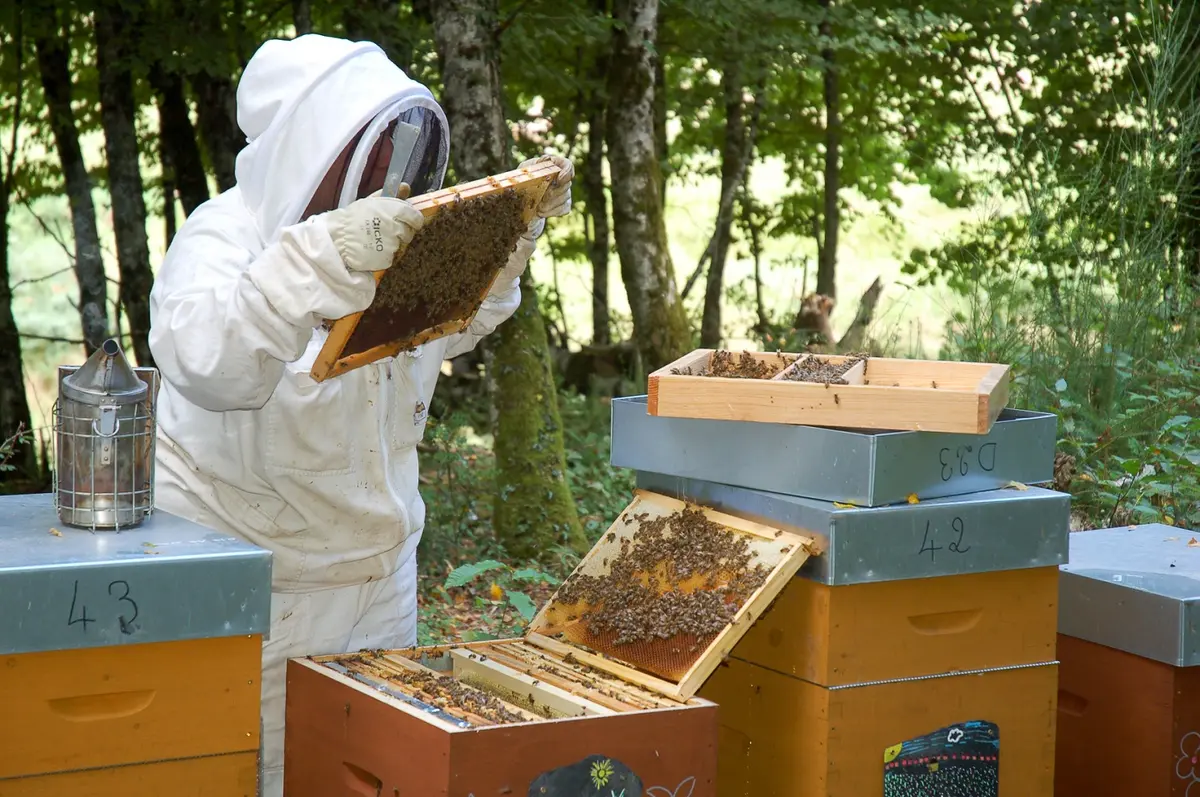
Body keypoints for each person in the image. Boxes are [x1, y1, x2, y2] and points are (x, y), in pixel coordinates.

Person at [147, 34, 572, 797]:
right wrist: (308, 263)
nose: (390, 180)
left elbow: (450, 319)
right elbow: (208, 361)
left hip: (381, 580)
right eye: (370, 158)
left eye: (398, 160)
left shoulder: (386, 236)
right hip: (264, 599)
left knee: (376, 777)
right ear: (313, 151)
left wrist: (510, 239)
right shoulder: (222, 238)